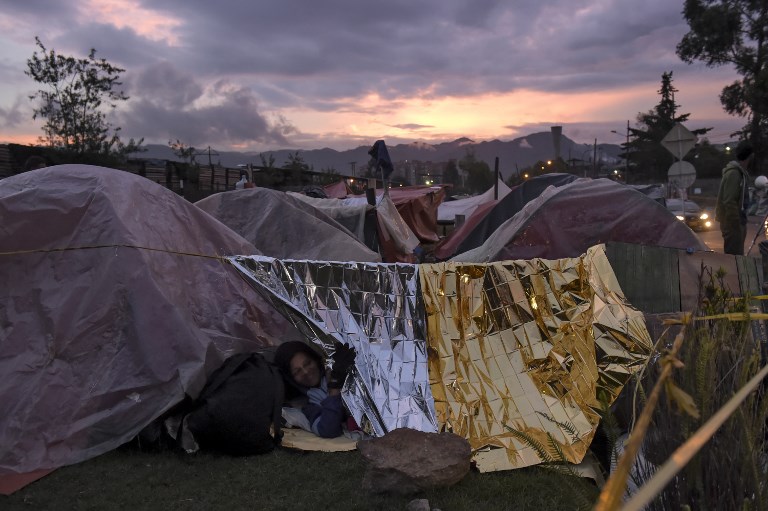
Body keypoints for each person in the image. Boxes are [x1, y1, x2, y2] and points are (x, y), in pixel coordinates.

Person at [273, 340, 356, 438]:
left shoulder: (340, 368)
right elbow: (327, 430)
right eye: (297, 371)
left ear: (315, 359)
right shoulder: (310, 406)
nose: (306, 371)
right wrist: (334, 386)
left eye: (307, 363)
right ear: (291, 379)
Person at [716, 144, 754, 255]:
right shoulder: (734, 173)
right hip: (733, 224)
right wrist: (736, 224)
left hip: (738, 222)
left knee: (738, 256)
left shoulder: (740, 173)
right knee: (734, 258)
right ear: (750, 156)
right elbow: (729, 201)